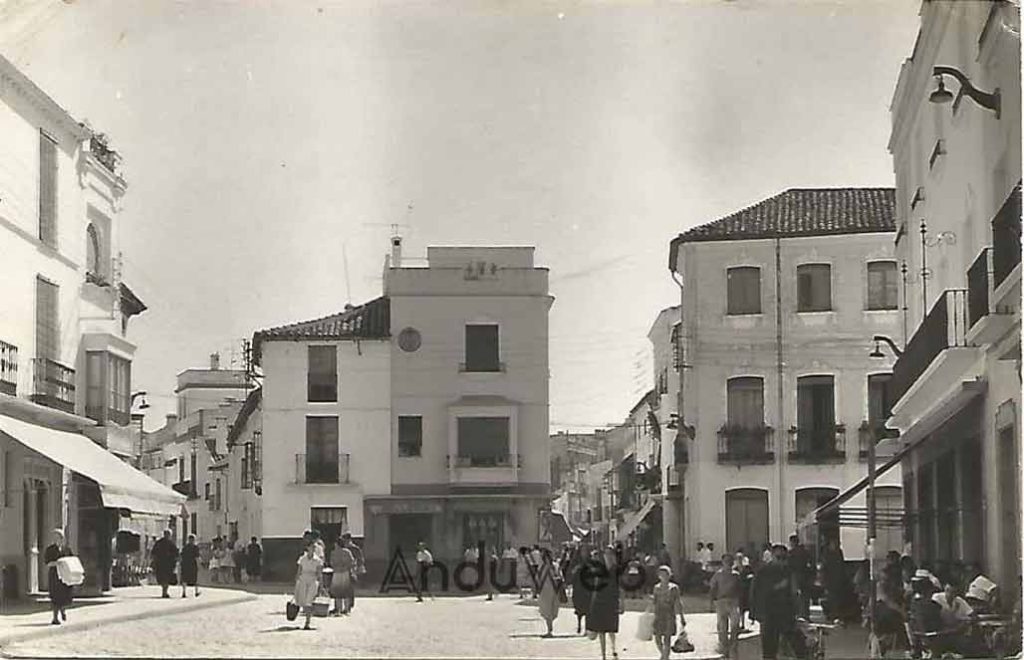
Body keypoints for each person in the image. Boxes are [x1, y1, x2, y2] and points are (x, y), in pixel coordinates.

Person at [751, 544, 807, 660]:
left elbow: (795, 592)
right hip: (769, 614)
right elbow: (755, 592)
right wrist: (755, 613)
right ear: (772, 556)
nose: (781, 561)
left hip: (787, 613)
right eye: (779, 557)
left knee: (800, 646)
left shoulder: (789, 571)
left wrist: (800, 612)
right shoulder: (763, 572)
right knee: (769, 650)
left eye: (784, 558)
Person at [587, 546, 623, 660]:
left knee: (611, 629)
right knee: (601, 629)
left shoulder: (616, 570)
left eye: (609, 554)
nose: (607, 556)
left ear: (612, 555)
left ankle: (613, 649)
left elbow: (621, 587)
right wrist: (592, 602)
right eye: (605, 554)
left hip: (612, 600)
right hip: (600, 600)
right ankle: (603, 655)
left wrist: (622, 601)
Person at [709, 553, 743, 659]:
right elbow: (712, 588)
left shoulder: (736, 575)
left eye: (730, 561)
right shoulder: (718, 575)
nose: (728, 563)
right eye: (726, 561)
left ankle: (733, 646)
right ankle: (724, 648)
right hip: (721, 602)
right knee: (722, 627)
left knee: (735, 626)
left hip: (733, 602)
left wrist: (741, 603)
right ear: (722, 562)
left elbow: (740, 589)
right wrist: (711, 602)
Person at [650, 565, 686, 660]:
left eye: (665, 574)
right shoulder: (656, 587)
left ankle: (665, 657)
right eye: (661, 574)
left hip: (669, 614)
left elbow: (678, 602)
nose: (663, 576)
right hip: (658, 614)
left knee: (667, 637)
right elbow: (654, 602)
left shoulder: (674, 588)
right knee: (657, 637)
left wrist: (682, 617)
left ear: (669, 575)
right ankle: (663, 654)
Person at [44, 529, 74, 625]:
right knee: (55, 597)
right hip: (54, 576)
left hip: (65, 576)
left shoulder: (67, 549)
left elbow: (71, 560)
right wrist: (57, 563)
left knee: (65, 595)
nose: (58, 539)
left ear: (62, 539)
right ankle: (55, 618)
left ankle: (63, 610)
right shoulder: (50, 550)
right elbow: (47, 563)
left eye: (60, 537)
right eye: (55, 537)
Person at [294, 541, 324, 631]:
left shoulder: (318, 560)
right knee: (303, 601)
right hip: (303, 580)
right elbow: (299, 571)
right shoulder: (302, 559)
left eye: (314, 548)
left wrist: (321, 585)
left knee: (309, 601)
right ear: (307, 548)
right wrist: (296, 584)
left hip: (312, 580)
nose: (313, 549)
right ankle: (307, 619)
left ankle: (307, 622)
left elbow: (319, 573)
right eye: (311, 547)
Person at [537, 548, 563, 637]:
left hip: (554, 590)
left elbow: (560, 577)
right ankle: (549, 630)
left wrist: (557, 579)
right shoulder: (541, 567)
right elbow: (538, 578)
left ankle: (550, 629)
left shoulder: (555, 566)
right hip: (545, 591)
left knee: (553, 610)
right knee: (547, 610)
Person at [329, 538, 355, 615]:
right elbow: (352, 562)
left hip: (337, 572)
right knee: (346, 590)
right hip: (345, 572)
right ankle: (346, 609)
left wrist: (337, 566)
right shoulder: (347, 552)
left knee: (337, 591)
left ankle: (338, 608)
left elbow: (331, 563)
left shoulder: (333, 553)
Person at [787, 534, 811, 618]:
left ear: (792, 542)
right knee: (805, 596)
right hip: (805, 575)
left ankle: (798, 614)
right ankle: (806, 614)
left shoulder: (791, 553)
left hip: (795, 576)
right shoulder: (805, 551)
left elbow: (788, 565)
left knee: (796, 595)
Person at [150, 529, 179, 599]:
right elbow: (176, 554)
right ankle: (164, 591)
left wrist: (154, 561)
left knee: (162, 577)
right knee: (166, 577)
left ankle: (164, 591)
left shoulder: (159, 542)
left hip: (160, 563)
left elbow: (153, 553)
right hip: (168, 564)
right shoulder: (171, 543)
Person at [569, 548, 593, 634]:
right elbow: (571, 572)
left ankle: (587, 628)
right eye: (583, 551)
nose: (584, 553)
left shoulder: (591, 561)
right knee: (579, 608)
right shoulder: (575, 561)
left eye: (585, 551)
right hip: (578, 587)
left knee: (587, 608)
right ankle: (579, 624)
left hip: (587, 587)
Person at [341, 533, 364, 611]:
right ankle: (348, 604)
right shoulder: (345, 548)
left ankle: (350, 603)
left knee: (350, 587)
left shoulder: (354, 548)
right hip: (347, 569)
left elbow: (360, 559)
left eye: (344, 540)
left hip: (352, 569)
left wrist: (358, 568)